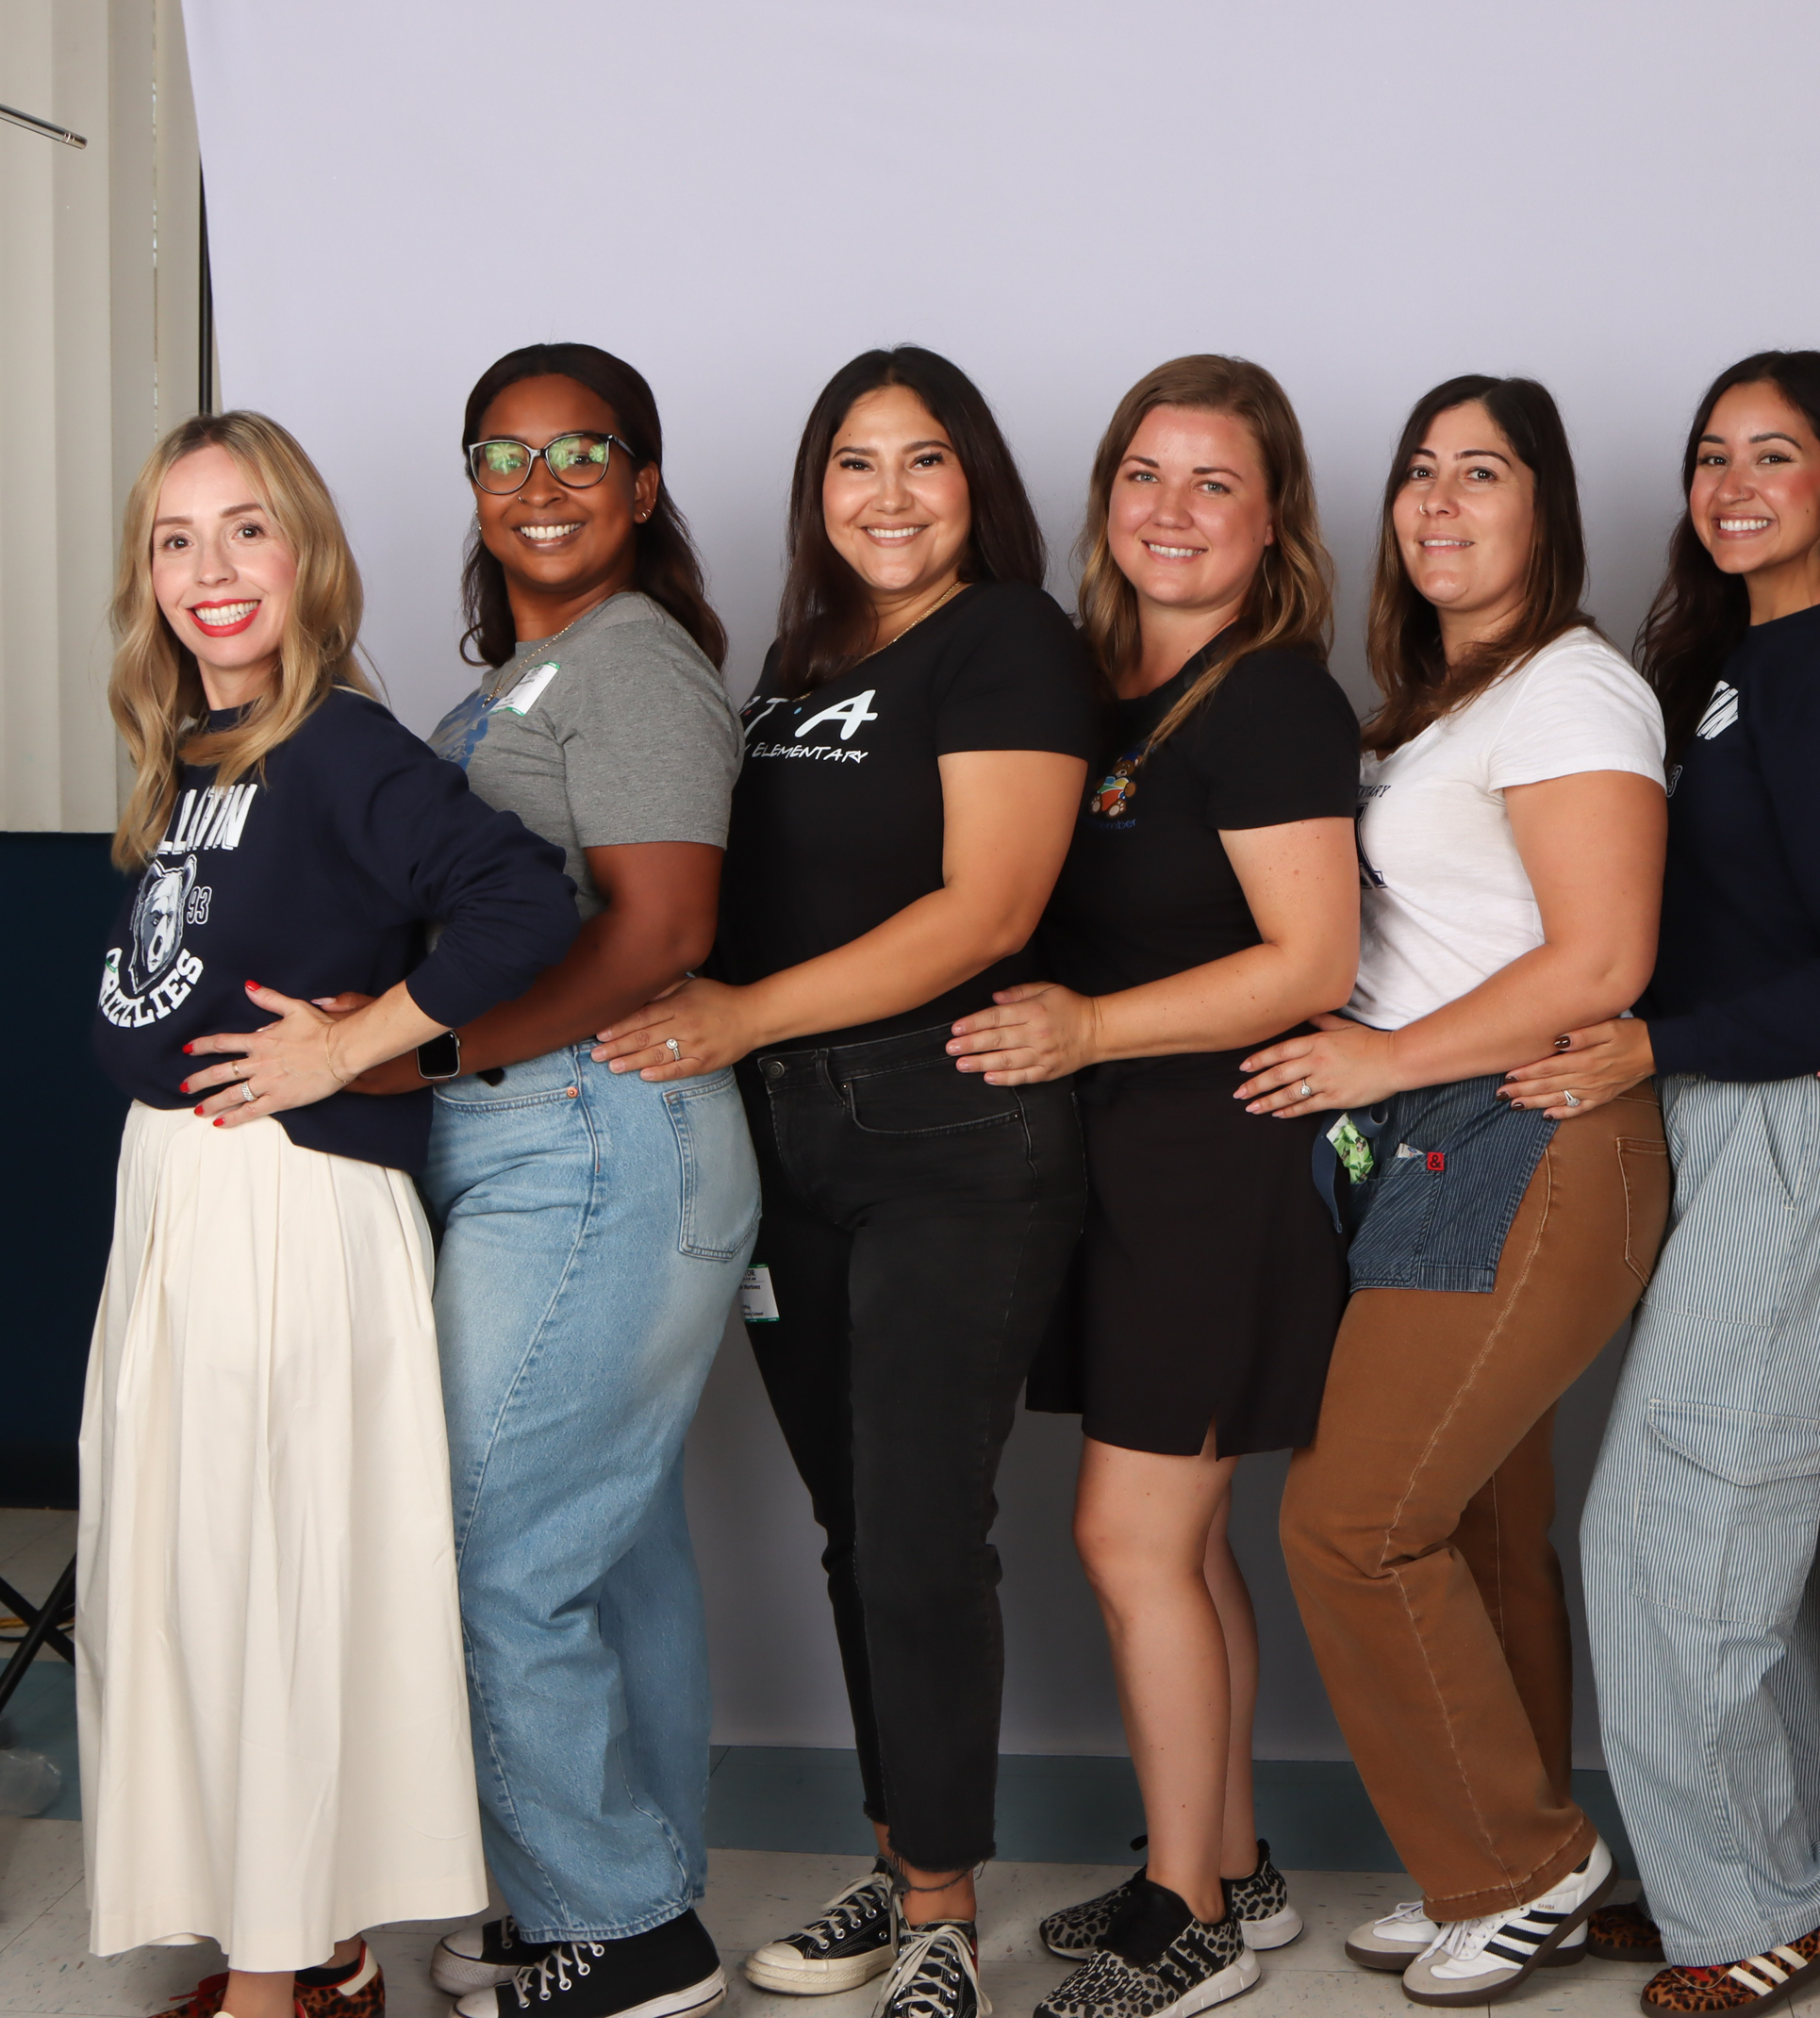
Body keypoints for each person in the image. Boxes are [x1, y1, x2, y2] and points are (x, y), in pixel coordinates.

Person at [592, 347, 1095, 2018]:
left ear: (977, 483)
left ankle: (943, 1913)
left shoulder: (1007, 640)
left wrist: (740, 1015)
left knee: (919, 1536)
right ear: (817, 494)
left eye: (924, 458)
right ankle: (898, 1864)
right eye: (854, 464)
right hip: (787, 1141)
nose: (889, 495)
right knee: (854, 1528)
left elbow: (987, 908)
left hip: (946, 1136)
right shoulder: (799, 665)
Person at [81, 415, 575, 2018]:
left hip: (285, 1206)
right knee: (194, 1578)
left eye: (247, 530)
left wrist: (358, 1047)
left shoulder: (342, 743)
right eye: (176, 540)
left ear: (307, 553)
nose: (210, 570)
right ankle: (315, 1942)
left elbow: (524, 897)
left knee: (274, 1575)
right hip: (182, 1194)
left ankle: (276, 1978)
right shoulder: (200, 750)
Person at [1502, 351, 1820, 2012]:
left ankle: (1758, 1908)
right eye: (1711, 455)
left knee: (1677, 1521)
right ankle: (1749, 1870)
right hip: (1698, 1109)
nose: (1733, 484)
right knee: (1721, 1528)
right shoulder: (1723, 660)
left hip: (1784, 1124)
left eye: (1775, 455)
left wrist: (1655, 1042)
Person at [940, 355, 1360, 2018]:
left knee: (1130, 1536)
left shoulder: (1273, 699)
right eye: (1144, 476)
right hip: (1112, 1164)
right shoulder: (1094, 688)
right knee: (1177, 1545)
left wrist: (1092, 1026)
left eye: (1214, 484)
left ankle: (1186, 1915)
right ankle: (1228, 1862)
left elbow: (1313, 959)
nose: (1171, 512)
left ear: (1274, 522)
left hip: (1218, 1162)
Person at [1257, 374, 1670, 2008]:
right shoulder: (1431, 707)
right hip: (1439, 1140)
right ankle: (1494, 1861)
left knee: (1352, 1524)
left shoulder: (1572, 693)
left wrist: (1378, 1058)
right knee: (1481, 1524)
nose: (1439, 502)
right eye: (1420, 472)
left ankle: (1518, 1860)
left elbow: (1603, 958)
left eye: (1482, 474)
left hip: (1531, 1136)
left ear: (1545, 510)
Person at [364, 345, 754, 2018]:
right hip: (555, 1145)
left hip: (594, 1144)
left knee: (492, 1545)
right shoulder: (516, 681)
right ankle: (599, 1895)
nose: (541, 485)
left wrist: (424, 1055)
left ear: (643, 485)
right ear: (472, 486)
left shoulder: (633, 662)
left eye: (581, 451)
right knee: (606, 1549)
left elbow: (662, 930)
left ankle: (623, 1931)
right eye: (504, 456)